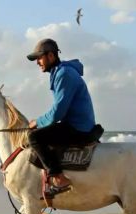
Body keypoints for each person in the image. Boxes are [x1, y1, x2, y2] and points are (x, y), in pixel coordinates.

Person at [26, 38, 97, 193]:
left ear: (51, 56)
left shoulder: (64, 74)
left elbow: (58, 112)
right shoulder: (59, 72)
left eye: (39, 57)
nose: (37, 62)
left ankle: (59, 178)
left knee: (35, 137)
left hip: (78, 127)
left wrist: (37, 122)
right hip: (73, 123)